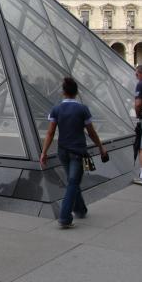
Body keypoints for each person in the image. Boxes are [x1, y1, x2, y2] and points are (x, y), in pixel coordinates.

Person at [41, 77, 108, 228]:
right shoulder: (82, 109)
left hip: (63, 151)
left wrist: (44, 152)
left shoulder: (56, 109)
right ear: (76, 92)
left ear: (63, 92)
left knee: (72, 181)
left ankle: (80, 209)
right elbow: (91, 132)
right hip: (78, 151)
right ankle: (64, 217)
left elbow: (50, 133)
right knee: (73, 182)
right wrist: (100, 147)